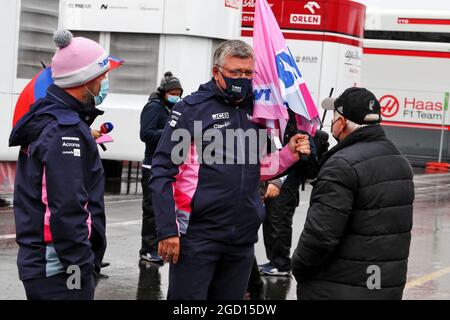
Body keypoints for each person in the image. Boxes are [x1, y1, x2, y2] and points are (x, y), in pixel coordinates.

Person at [149, 39, 311, 300]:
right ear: (217, 72)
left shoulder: (257, 110)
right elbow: (163, 172)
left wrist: (288, 154)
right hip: (198, 236)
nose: (243, 78)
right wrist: (168, 230)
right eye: (235, 72)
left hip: (242, 238)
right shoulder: (192, 109)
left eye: (248, 73)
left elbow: (258, 169)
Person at [9, 29, 109, 300]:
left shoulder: (53, 119)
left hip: (51, 263)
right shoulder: (65, 131)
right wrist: (81, 266)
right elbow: (66, 208)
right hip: (61, 267)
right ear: (85, 79)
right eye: (102, 77)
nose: (104, 83)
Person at [291, 87, 414, 300]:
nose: (332, 122)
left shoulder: (341, 165)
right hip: (383, 284)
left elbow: (321, 236)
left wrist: (299, 267)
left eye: (334, 116)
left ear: (342, 122)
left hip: (339, 286)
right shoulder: (400, 160)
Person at [139, 71, 183, 263]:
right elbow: (146, 133)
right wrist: (170, 134)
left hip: (163, 165)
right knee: (150, 210)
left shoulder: (169, 108)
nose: (176, 96)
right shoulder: (154, 107)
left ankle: (155, 246)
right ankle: (147, 248)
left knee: (161, 209)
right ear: (164, 92)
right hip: (151, 165)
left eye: (178, 92)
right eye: (172, 92)